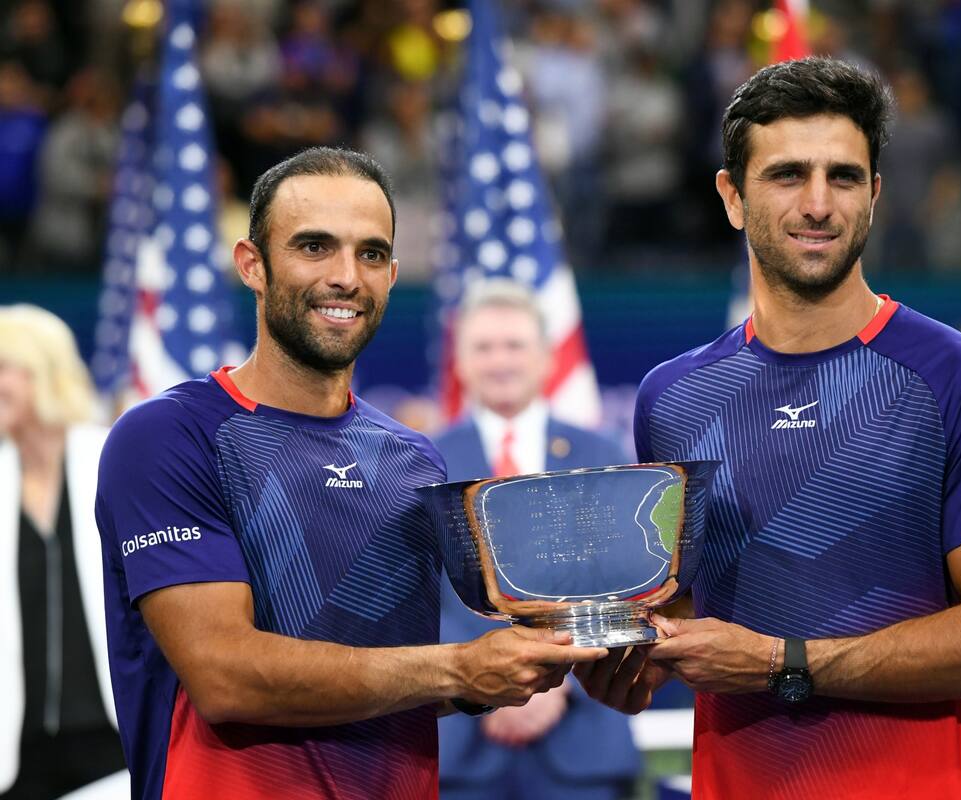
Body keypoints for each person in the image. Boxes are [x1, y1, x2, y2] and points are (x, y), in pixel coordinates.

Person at [575, 57, 961, 798]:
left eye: (845, 176)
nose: (819, 203)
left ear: (875, 195)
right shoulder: (670, 399)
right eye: (788, 174)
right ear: (732, 197)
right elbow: (685, 617)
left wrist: (781, 663)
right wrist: (628, 663)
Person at [94, 147, 605, 800]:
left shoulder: (414, 461)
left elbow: (389, 678)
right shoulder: (169, 436)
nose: (346, 276)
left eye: (369, 254)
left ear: (392, 275)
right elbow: (225, 677)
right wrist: (459, 668)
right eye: (314, 246)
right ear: (253, 265)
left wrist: (506, 674)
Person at [435, 279, 640, 800]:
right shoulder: (423, 463)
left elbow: (623, 587)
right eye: (483, 347)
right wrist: (483, 682)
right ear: (459, 361)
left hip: (580, 743)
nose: (500, 360)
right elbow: (418, 597)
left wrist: (556, 683)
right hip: (459, 741)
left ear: (548, 358)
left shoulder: (602, 454)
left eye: (514, 345)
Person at [0, 305, 126, 798]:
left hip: (111, 736)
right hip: (18, 749)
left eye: (5, 367)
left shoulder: (112, 458)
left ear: (45, 372)